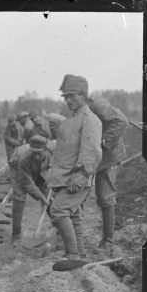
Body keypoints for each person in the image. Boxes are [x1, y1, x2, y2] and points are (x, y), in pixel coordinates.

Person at [47, 75, 102, 259]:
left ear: (83, 95)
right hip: (64, 178)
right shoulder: (71, 120)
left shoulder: (89, 119)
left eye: (72, 96)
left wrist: (78, 178)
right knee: (74, 215)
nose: (67, 100)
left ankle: (72, 255)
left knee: (58, 211)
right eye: (65, 97)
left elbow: (92, 152)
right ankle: (80, 254)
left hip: (75, 179)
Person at [88, 96, 129, 251]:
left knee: (105, 196)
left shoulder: (97, 105)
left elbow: (122, 121)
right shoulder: (82, 112)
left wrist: (104, 141)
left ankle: (108, 241)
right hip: (97, 158)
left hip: (109, 157)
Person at [8, 135, 52, 242]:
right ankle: (16, 235)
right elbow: (26, 182)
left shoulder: (53, 153)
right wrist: (40, 197)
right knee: (19, 198)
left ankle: (59, 226)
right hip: (17, 168)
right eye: (34, 153)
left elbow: (56, 169)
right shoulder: (24, 157)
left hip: (39, 169)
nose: (36, 156)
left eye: (39, 153)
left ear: (46, 150)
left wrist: (50, 187)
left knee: (49, 198)